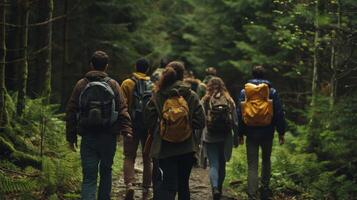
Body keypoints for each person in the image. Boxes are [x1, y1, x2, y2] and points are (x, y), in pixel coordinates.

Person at [66, 51, 133, 200]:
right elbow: (122, 108)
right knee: (106, 171)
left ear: (91, 64)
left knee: (89, 176)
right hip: (108, 136)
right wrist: (126, 130)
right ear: (106, 66)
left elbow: (71, 110)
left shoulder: (81, 84)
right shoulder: (113, 84)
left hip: (88, 136)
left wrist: (71, 137)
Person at [144, 61, 205, 200]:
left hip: (165, 148)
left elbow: (149, 120)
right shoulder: (191, 94)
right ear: (183, 75)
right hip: (187, 147)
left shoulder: (158, 95)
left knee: (168, 185)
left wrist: (163, 127)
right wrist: (187, 125)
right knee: (184, 185)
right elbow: (201, 121)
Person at [237, 66, 286, 200]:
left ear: (252, 75)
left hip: (251, 132)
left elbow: (239, 114)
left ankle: (252, 194)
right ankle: (265, 190)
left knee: (252, 164)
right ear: (265, 76)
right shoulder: (271, 92)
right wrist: (281, 132)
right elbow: (279, 113)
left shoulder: (244, 92)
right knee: (266, 160)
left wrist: (240, 134)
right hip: (267, 132)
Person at [121, 58, 153, 199]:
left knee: (129, 156)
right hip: (148, 127)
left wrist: (123, 125)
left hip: (132, 124)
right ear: (147, 70)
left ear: (135, 67)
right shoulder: (153, 85)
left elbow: (122, 106)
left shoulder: (127, 83)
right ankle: (146, 190)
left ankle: (130, 185)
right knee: (147, 158)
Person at [201, 77, 239, 200]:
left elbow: (201, 121)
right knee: (222, 164)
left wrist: (198, 139)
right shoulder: (229, 100)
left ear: (209, 86)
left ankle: (215, 188)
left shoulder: (205, 100)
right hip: (226, 136)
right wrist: (236, 137)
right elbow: (235, 121)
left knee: (213, 164)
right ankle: (220, 189)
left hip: (210, 136)